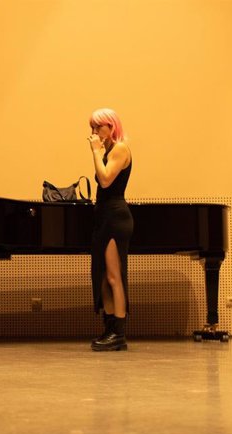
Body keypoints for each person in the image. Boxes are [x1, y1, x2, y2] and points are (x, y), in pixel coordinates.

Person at [87, 108, 133, 352]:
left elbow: (105, 179)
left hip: (116, 217)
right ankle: (109, 325)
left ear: (111, 127)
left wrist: (96, 152)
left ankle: (119, 333)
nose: (94, 133)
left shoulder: (121, 149)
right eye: (92, 128)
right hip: (103, 216)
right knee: (103, 276)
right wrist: (99, 152)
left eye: (98, 127)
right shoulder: (107, 151)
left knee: (114, 276)